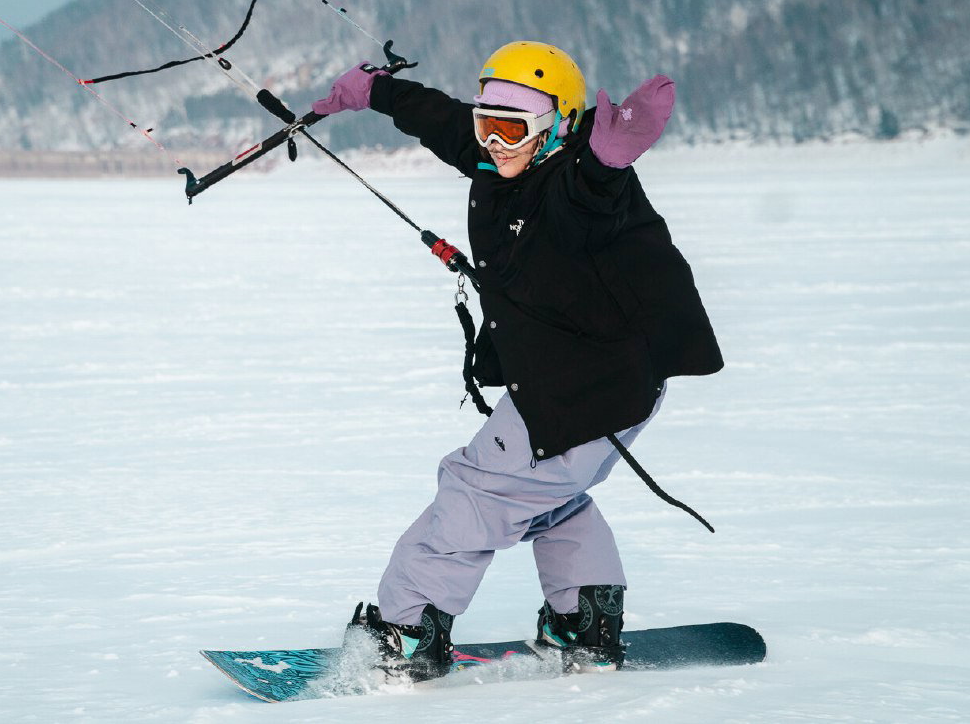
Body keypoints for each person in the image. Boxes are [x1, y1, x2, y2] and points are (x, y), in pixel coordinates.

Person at [310, 41, 723, 680]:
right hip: (605, 386)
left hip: (585, 387)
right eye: (487, 126)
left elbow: (593, 192)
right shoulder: (500, 155)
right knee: (549, 495)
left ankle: (405, 634)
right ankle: (583, 624)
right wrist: (376, 92)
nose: (496, 144)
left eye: (513, 130)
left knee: (477, 490)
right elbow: (444, 121)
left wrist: (609, 160)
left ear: (557, 127)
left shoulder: (577, 183)